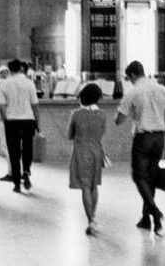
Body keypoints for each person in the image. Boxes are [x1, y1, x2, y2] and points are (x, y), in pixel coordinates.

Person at [114, 60, 165, 236]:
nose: (129, 81)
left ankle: (155, 211)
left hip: (143, 138)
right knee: (151, 178)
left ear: (132, 75)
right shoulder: (162, 89)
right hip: (160, 137)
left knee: (139, 176)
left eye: (129, 78)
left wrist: (123, 112)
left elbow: (119, 120)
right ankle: (147, 219)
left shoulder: (133, 92)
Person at [68, 83, 107, 235]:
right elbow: (101, 133)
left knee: (85, 187)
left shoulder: (76, 114)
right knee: (94, 186)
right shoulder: (102, 115)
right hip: (96, 151)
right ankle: (93, 217)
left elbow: (69, 135)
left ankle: (91, 221)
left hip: (81, 152)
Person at [0, 58, 40, 192]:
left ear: (9, 70)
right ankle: (26, 171)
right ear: (21, 69)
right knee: (27, 148)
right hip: (28, 119)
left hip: (12, 120)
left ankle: (16, 183)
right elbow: (35, 105)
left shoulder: (4, 84)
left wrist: (5, 120)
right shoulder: (29, 83)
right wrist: (38, 123)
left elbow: (1, 106)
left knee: (13, 151)